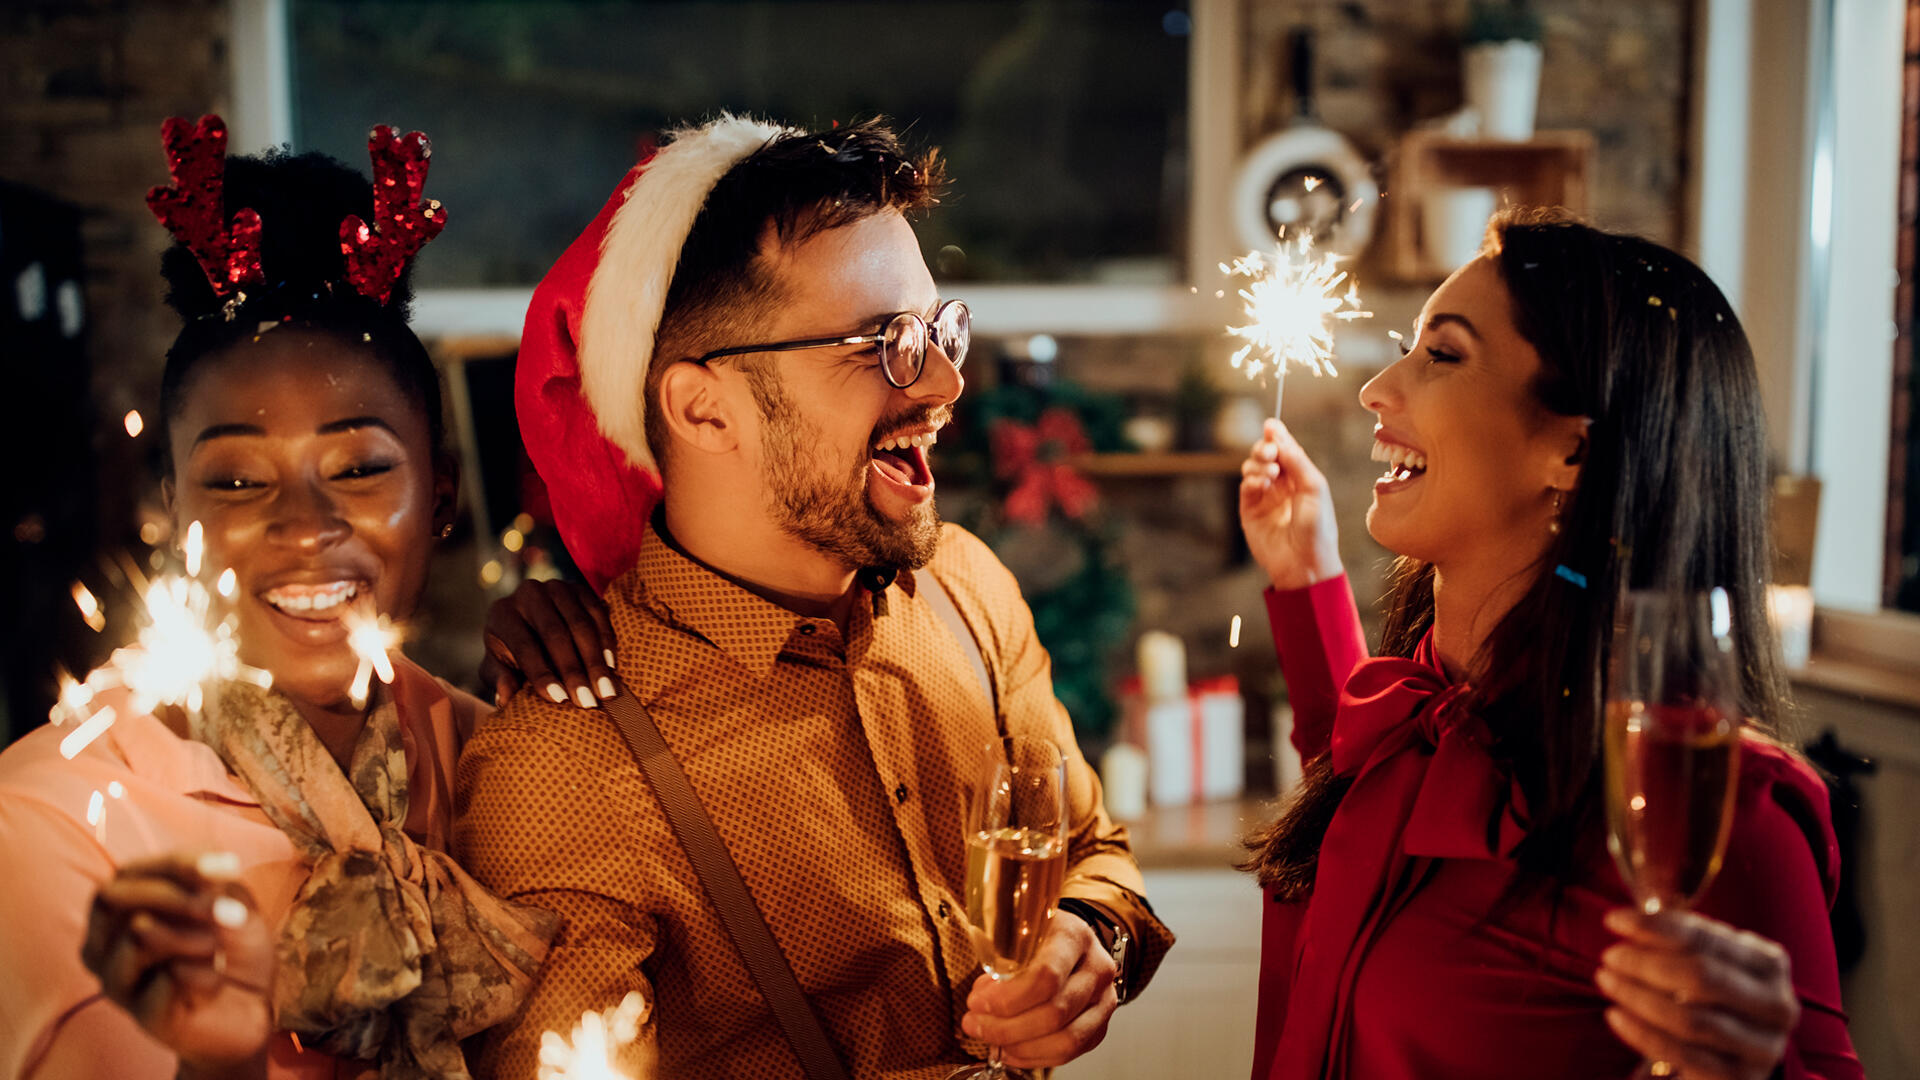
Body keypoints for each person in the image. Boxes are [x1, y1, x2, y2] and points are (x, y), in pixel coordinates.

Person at [453, 115, 1176, 1079]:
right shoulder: (562, 765)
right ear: (705, 407)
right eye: (884, 341)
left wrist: (1093, 935)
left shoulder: (967, 589)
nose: (948, 383)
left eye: (937, 329)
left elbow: (1093, 845)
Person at [0, 117, 591, 1080]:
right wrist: (217, 1060)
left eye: (358, 467)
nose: (304, 524)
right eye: (236, 481)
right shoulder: (52, 824)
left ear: (438, 497)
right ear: (171, 507)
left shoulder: (501, 764)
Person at [1238, 209, 1861, 1079]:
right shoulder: (1421, 713)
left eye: (1442, 355)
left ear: (1570, 450)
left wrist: (1762, 1067)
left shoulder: (1716, 818)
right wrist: (1307, 581)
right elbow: (1360, 800)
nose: (1377, 389)